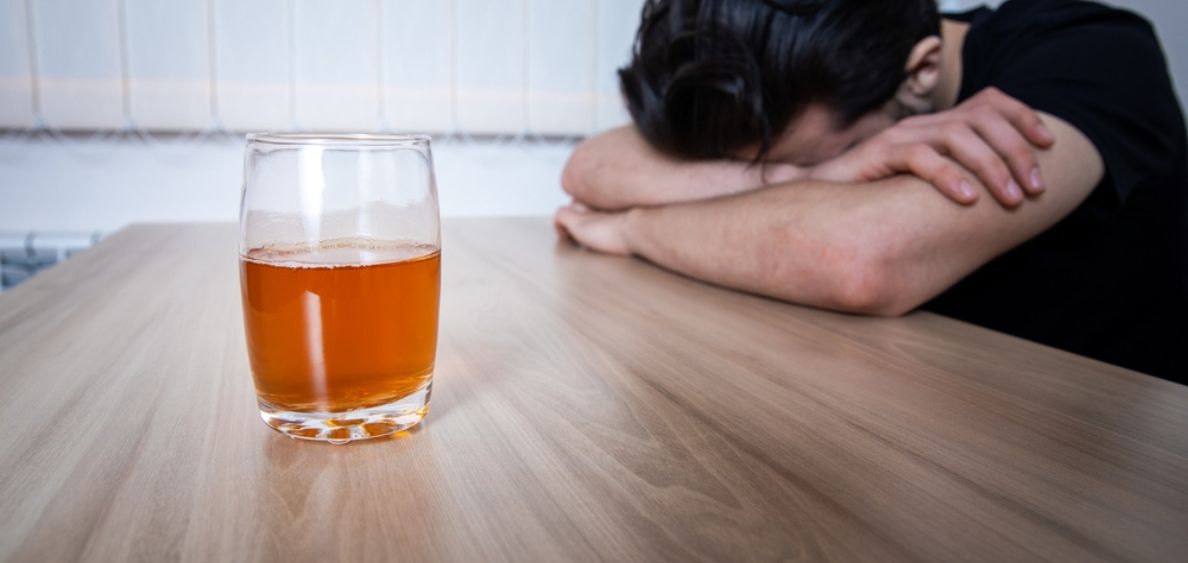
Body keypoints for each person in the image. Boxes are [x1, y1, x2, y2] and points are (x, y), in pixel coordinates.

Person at [554, 0, 1188, 382]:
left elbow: (858, 260)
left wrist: (635, 228)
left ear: (923, 71)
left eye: (798, 155)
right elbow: (591, 167)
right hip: (886, 394)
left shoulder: (1096, 56)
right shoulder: (803, 85)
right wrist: (810, 174)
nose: (748, 177)